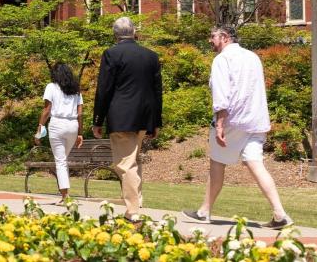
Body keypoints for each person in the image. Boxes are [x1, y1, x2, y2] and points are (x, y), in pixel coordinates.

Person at [183, 25, 293, 229]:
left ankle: (204, 211)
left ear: (224, 37)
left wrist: (220, 124)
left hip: (234, 120)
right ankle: (280, 214)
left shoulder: (222, 59)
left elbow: (221, 93)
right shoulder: (252, 56)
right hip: (256, 119)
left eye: (213, 36)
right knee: (255, 163)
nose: (210, 40)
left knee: (217, 162)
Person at [92, 16, 163, 219]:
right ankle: (137, 201)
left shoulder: (111, 54)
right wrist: (157, 120)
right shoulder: (150, 56)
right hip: (144, 116)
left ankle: (133, 210)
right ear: (134, 32)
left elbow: (104, 89)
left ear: (115, 35)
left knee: (125, 163)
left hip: (121, 117)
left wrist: (98, 119)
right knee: (133, 160)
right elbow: (157, 90)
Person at [34, 62, 84, 202]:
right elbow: (80, 114)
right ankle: (64, 192)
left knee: (60, 161)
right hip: (73, 125)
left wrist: (39, 128)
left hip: (57, 124)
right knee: (63, 160)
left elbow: (47, 110)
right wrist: (80, 133)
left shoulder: (51, 87)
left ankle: (65, 196)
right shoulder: (76, 90)